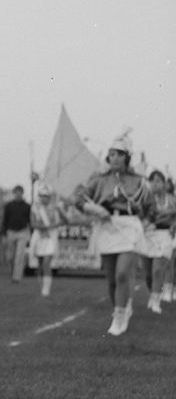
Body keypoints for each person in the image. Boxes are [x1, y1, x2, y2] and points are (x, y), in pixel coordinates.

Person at [72, 133, 151, 336]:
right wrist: (95, 209)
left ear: (127, 157)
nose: (114, 158)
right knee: (112, 279)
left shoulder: (138, 181)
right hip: (107, 226)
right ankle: (121, 309)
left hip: (129, 226)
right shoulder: (99, 179)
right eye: (111, 154)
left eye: (118, 154)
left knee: (123, 273)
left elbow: (148, 207)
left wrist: (139, 209)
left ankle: (119, 317)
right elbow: (78, 197)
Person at [142, 170, 176, 313]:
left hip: (165, 235)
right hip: (148, 236)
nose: (155, 184)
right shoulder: (145, 200)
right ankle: (153, 293)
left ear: (164, 183)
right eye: (152, 181)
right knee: (149, 272)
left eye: (158, 181)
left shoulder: (172, 200)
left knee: (158, 269)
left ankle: (156, 300)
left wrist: (174, 226)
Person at [29, 182, 66, 297]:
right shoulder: (35, 207)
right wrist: (44, 227)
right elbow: (33, 223)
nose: (43, 198)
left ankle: (46, 290)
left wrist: (60, 212)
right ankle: (43, 286)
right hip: (39, 238)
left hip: (51, 238)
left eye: (46, 196)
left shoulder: (55, 207)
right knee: (40, 265)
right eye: (41, 196)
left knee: (46, 263)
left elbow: (65, 221)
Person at [1, 185, 32, 283]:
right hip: (11, 232)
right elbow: (4, 220)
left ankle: (16, 277)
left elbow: (30, 221)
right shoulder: (9, 206)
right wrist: (3, 234)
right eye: (16, 192)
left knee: (19, 255)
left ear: (22, 193)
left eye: (20, 192)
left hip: (22, 232)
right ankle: (12, 271)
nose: (18, 194)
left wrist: (31, 234)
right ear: (14, 193)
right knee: (10, 256)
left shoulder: (27, 206)